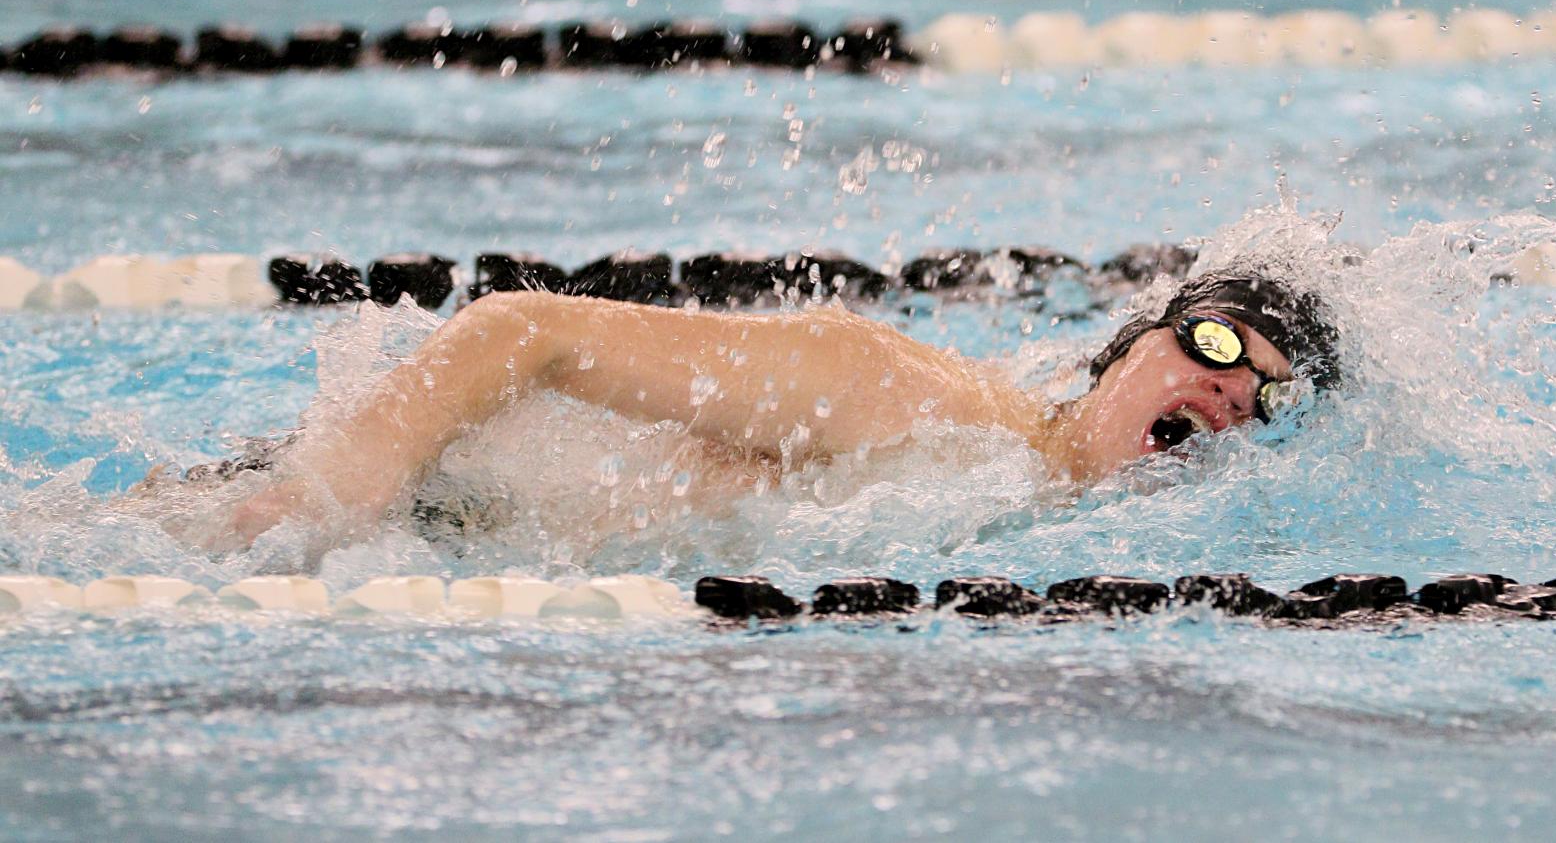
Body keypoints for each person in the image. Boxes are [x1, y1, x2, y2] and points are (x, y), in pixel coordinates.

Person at [221, 269, 1340, 549]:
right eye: (1214, 344)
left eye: (1264, 402)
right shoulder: (906, 397)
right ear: (1128, 348)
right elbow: (523, 329)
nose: (1225, 392)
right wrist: (330, 494)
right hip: (346, 510)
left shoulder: (1021, 497)